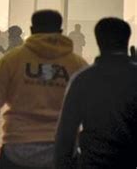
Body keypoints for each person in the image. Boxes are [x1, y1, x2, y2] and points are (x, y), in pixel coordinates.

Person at [0, 10, 88, 169]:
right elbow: (94, 111)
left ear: (32, 30)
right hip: (62, 151)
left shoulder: (12, 60)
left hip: (17, 150)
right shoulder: (77, 64)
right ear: (60, 32)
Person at [55, 18, 137, 168]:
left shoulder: (82, 79)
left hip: (91, 162)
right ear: (127, 40)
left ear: (99, 41)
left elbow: (66, 133)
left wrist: (65, 164)